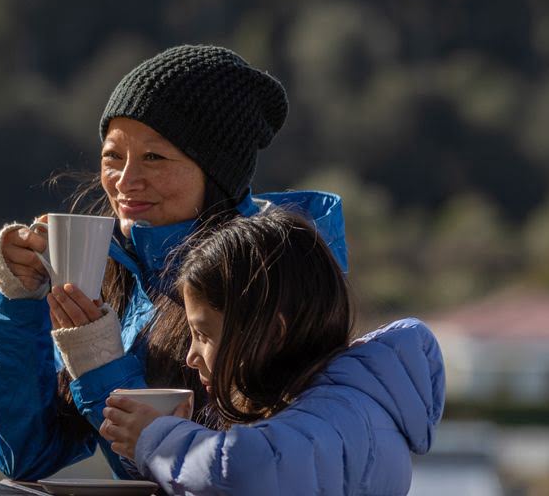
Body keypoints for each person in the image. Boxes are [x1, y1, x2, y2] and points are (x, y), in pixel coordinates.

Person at [0, 44, 349, 480]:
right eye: (112, 156)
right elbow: (28, 456)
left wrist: (98, 360)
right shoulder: (121, 272)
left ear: (217, 172)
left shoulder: (271, 280)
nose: (125, 180)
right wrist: (18, 301)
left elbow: (226, 474)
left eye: (154, 157)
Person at [98, 208, 445, 495]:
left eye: (203, 333)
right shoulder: (335, 410)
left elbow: (245, 471)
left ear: (273, 333)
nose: (192, 355)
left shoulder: (340, 416)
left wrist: (157, 440)